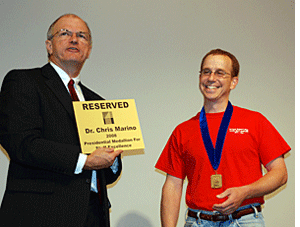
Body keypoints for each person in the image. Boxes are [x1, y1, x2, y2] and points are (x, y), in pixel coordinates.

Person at [0, 14, 122, 227]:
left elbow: (106, 176)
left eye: (82, 36)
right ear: (49, 45)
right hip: (39, 214)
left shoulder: (98, 102)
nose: (74, 39)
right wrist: (85, 161)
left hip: (93, 216)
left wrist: (113, 158)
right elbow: (22, 143)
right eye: (65, 33)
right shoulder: (23, 81)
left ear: (88, 50)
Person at [155, 49, 290, 227]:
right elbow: (172, 186)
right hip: (198, 222)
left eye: (220, 73)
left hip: (245, 220)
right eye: (206, 71)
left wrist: (246, 192)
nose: (211, 78)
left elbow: (280, 174)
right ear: (200, 77)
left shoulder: (255, 121)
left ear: (234, 82)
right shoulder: (183, 130)